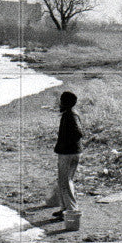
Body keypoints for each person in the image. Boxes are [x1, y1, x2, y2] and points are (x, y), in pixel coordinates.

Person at [48, 90, 83, 220]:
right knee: (64, 181)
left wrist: (65, 144)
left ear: (65, 103)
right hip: (72, 152)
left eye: (61, 102)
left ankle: (71, 210)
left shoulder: (70, 115)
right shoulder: (72, 114)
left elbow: (78, 133)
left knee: (65, 182)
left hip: (68, 153)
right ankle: (65, 210)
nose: (59, 104)